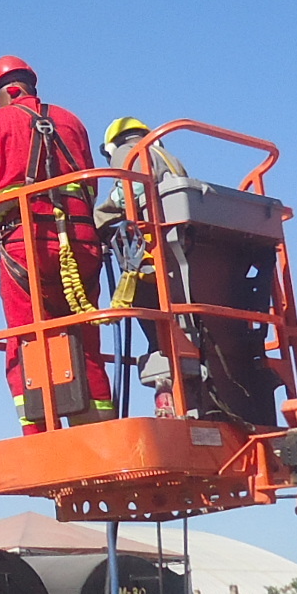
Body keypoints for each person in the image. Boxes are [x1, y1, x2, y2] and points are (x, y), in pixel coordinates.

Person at [0, 56, 112, 431]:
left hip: (26, 245)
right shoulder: (72, 121)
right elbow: (90, 187)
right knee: (85, 340)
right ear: (30, 86)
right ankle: (100, 434)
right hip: (82, 242)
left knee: (27, 341)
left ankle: (41, 438)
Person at [95, 117, 188, 404]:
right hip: (181, 259)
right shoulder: (169, 158)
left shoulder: (129, 152)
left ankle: (163, 373)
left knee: (154, 326)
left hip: (153, 262)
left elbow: (127, 194)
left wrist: (96, 223)